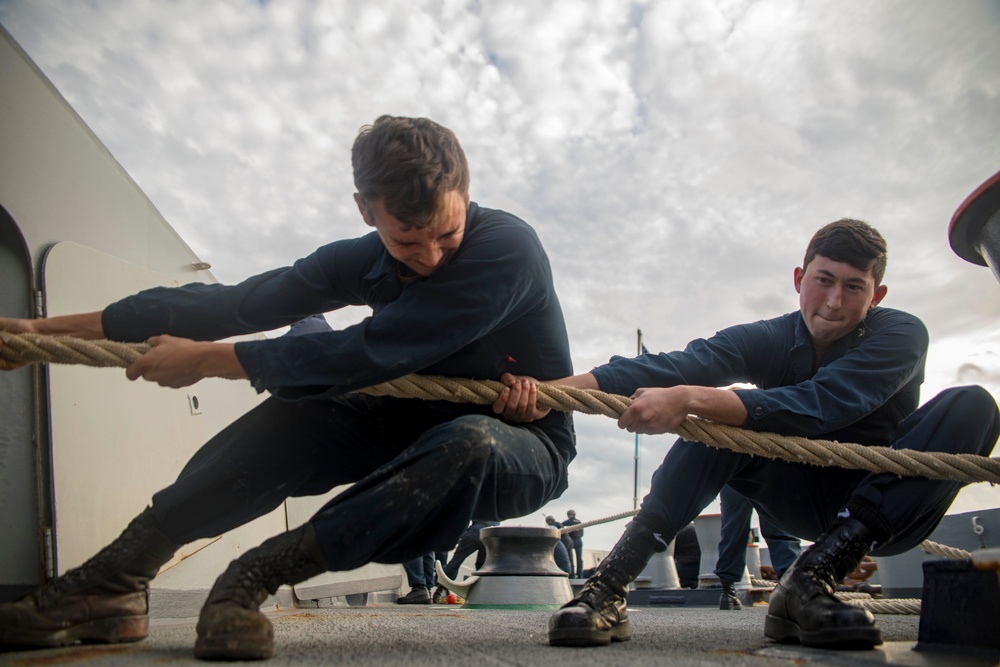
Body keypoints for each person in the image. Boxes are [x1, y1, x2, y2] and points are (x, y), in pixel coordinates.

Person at [0, 115, 576, 661]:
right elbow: (237, 303)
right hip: (407, 417)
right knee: (301, 415)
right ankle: (113, 581)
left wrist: (215, 361)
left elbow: (371, 349)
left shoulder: (507, 249)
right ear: (365, 211)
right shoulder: (361, 261)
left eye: (447, 238)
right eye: (407, 244)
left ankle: (252, 576)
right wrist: (38, 330)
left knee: (470, 442)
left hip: (522, 441)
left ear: (467, 191)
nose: (429, 259)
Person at [495, 219, 1000, 650]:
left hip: (883, 503)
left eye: (853, 287)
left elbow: (824, 402)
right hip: (797, 492)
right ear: (800, 279)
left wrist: (691, 398)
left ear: (878, 295)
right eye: (823, 280)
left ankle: (811, 578)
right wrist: (549, 392)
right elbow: (681, 364)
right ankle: (609, 586)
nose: (833, 301)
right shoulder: (772, 336)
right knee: (714, 428)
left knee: (973, 405)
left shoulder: (900, 333)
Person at [715, 486, 801, 610]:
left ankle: (727, 592)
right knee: (779, 527)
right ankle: (791, 590)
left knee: (733, 532)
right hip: (769, 471)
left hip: (733, 475)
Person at [432, 519, 497, 603]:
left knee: (455, 562)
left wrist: (461, 534)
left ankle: (439, 590)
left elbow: (465, 517)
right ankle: (481, 594)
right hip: (489, 536)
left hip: (474, 533)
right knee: (482, 568)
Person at [671, 523, 701, 589]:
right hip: (700, 567)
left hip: (682, 569)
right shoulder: (698, 529)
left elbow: (671, 554)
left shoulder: (677, 530)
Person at [562, 510, 584, 578]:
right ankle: (580, 574)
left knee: (570, 558)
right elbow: (582, 534)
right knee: (579, 558)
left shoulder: (568, 521)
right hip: (579, 541)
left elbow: (561, 525)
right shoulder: (579, 521)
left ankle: (572, 574)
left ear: (568, 515)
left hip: (571, 541)